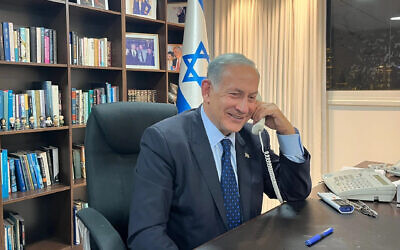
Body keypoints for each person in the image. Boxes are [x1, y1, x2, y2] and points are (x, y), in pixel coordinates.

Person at [127, 53, 311, 249]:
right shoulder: (164, 141)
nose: (243, 108)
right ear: (207, 91)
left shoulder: (254, 138)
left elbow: (294, 193)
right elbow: (145, 233)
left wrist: (287, 131)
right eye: (234, 94)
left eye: (251, 97)